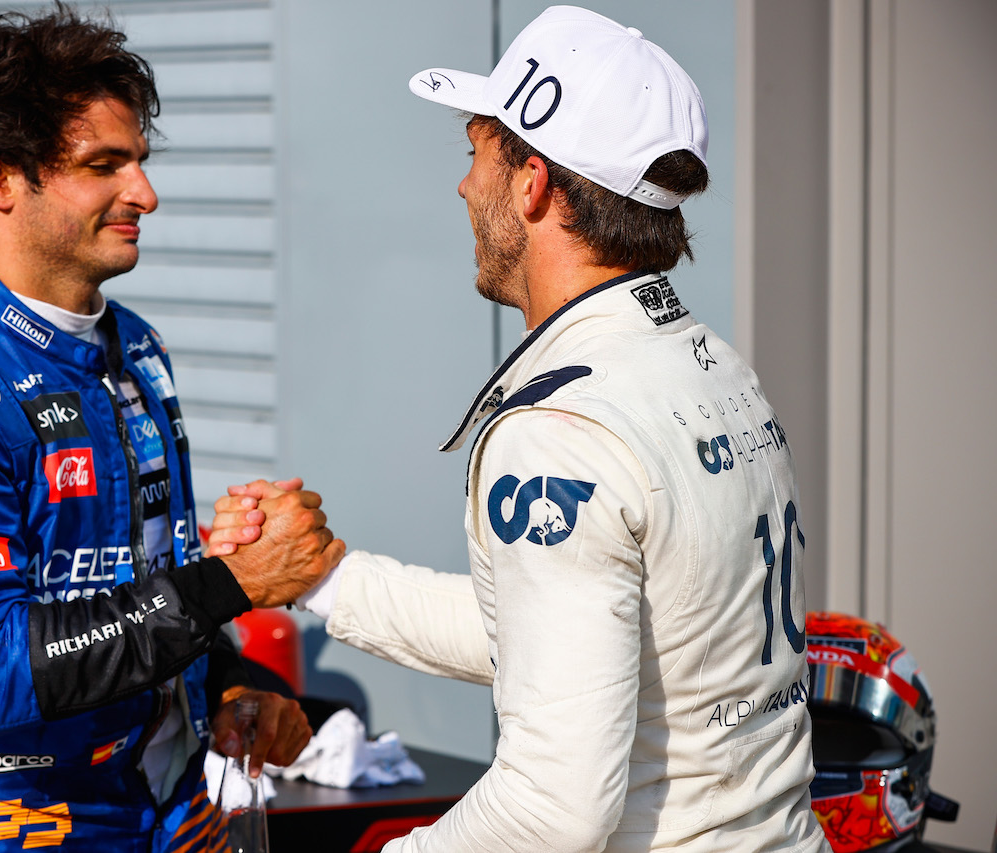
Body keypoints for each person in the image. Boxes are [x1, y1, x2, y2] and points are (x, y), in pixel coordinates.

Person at [211, 7, 829, 851]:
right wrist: (325, 578)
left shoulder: (563, 426)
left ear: (533, 182)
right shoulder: (709, 364)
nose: (465, 185)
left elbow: (551, 810)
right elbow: (571, 634)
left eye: (476, 153)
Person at [0, 5, 342, 851]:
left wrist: (231, 681)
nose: (143, 192)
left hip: (178, 815)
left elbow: (143, 576)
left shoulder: (134, 344)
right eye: (103, 165)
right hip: (21, 829)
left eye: (138, 160)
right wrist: (233, 581)